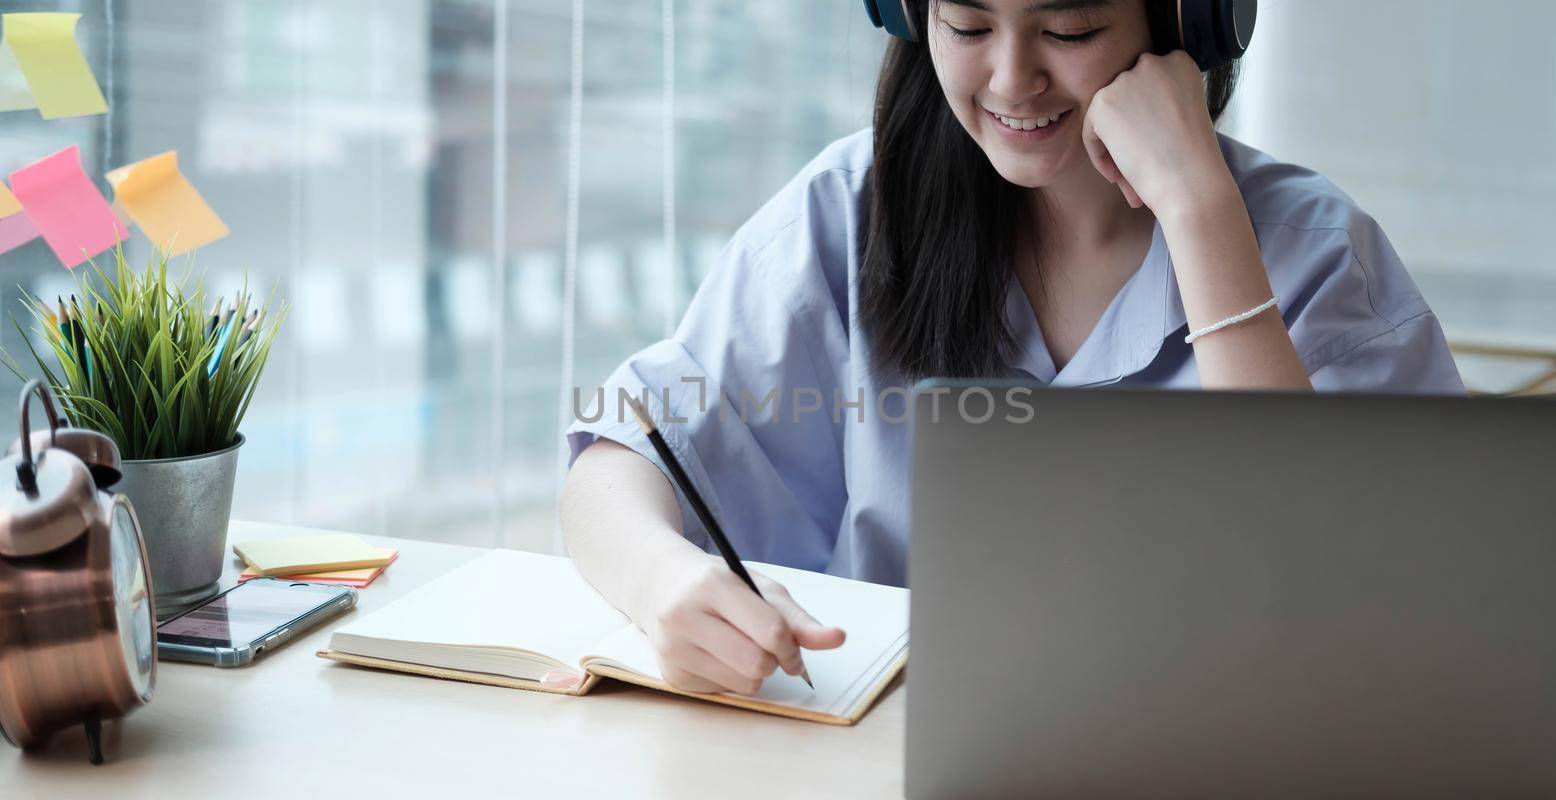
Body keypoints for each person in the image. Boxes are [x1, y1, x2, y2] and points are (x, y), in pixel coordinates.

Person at [559, 0, 1465, 695]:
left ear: (1185, 19)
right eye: (967, 23)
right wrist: (661, 581)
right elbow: (618, 451)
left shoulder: (1315, 252)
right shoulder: (849, 210)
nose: (1010, 78)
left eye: (1067, 29)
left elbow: (1343, 602)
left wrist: (1199, 211)